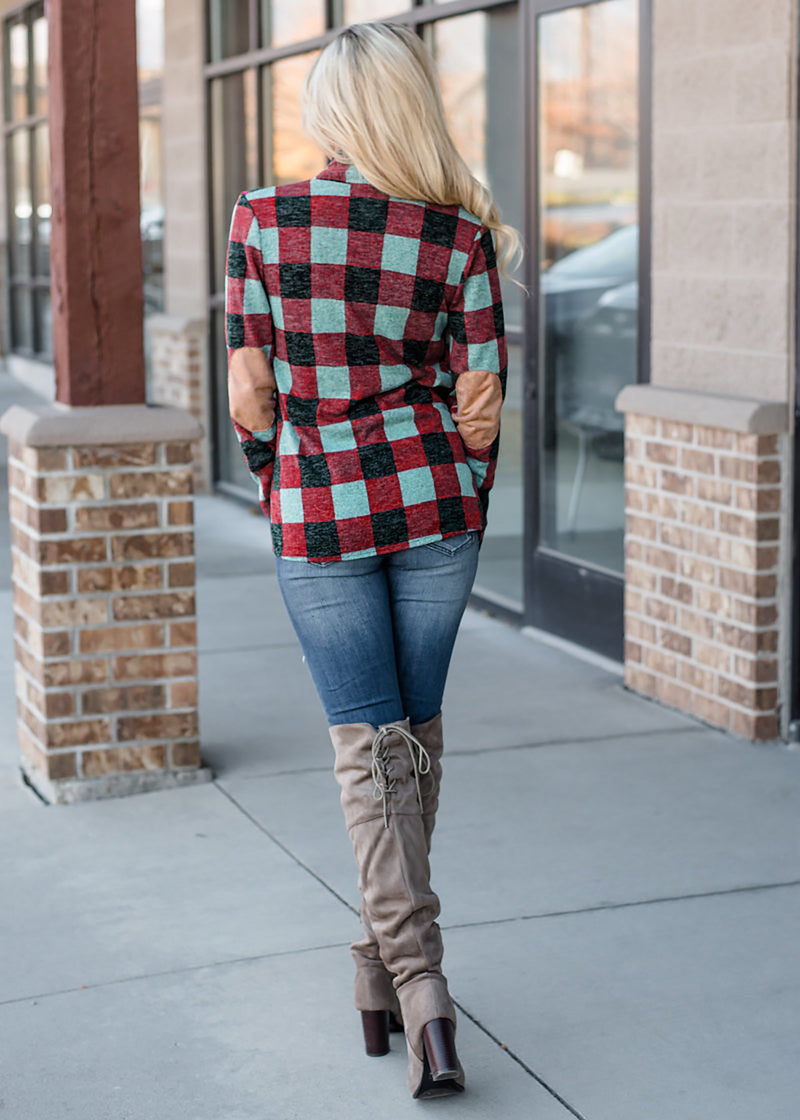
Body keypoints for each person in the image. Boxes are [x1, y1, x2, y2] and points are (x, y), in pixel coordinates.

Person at [225, 21, 520, 1100]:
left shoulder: (262, 220)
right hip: (434, 504)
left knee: (371, 746)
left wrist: (286, 478)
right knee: (410, 745)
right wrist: (461, 497)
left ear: (331, 112)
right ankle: (381, 970)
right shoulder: (457, 236)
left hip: (320, 510)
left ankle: (418, 980)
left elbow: (250, 396)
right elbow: (481, 412)